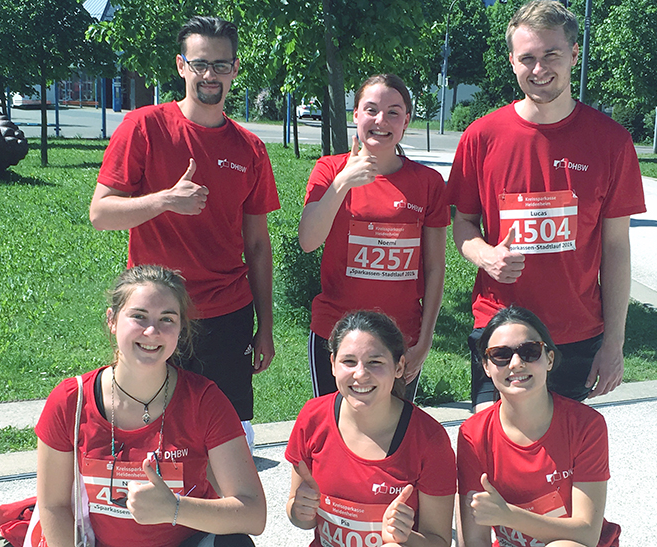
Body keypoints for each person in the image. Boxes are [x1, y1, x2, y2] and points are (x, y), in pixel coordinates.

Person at [447, 0, 646, 412]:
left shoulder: (611, 142)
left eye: (551, 55)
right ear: (512, 61)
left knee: (563, 466)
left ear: (574, 54)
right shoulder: (481, 137)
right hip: (501, 331)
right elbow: (463, 225)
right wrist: (486, 254)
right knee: (492, 461)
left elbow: (616, 248)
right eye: (527, 58)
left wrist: (614, 343)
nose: (539, 69)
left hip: (576, 336)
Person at [88, 16, 281, 440]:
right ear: (181, 66)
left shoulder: (250, 149)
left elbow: (258, 245)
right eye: (200, 64)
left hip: (227, 313)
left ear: (234, 69)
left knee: (227, 435)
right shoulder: (144, 127)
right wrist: (164, 201)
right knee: (153, 428)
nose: (210, 75)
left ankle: (221, 504)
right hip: (158, 310)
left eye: (221, 65)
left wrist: (265, 326)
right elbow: (101, 213)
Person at [35, 265, 266, 547]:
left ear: (181, 328)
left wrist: (174, 509)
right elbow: (53, 505)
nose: (152, 331)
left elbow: (253, 514)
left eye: (167, 319)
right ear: (112, 320)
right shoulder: (72, 399)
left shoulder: (204, 400)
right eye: (139, 316)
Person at [298, 74, 449, 400]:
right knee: (334, 432)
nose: (381, 121)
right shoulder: (329, 170)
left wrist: (425, 340)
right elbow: (308, 241)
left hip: (400, 340)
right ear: (356, 115)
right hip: (335, 335)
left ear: (406, 121)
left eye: (393, 112)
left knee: (392, 438)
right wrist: (343, 182)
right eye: (371, 110)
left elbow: (436, 268)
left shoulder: (428, 183)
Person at [286, 310, 456, 547]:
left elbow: (439, 542)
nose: (360, 374)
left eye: (375, 362)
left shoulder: (429, 439)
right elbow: (301, 516)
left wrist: (405, 537)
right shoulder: (312, 417)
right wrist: (298, 510)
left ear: (399, 367)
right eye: (349, 361)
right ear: (333, 364)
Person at [457, 306, 620, 547]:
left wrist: (508, 516)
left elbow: (586, 534)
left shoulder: (585, 425)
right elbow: (473, 539)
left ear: (550, 359)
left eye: (530, 351)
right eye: (500, 355)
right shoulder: (473, 434)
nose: (515, 363)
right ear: (486, 367)